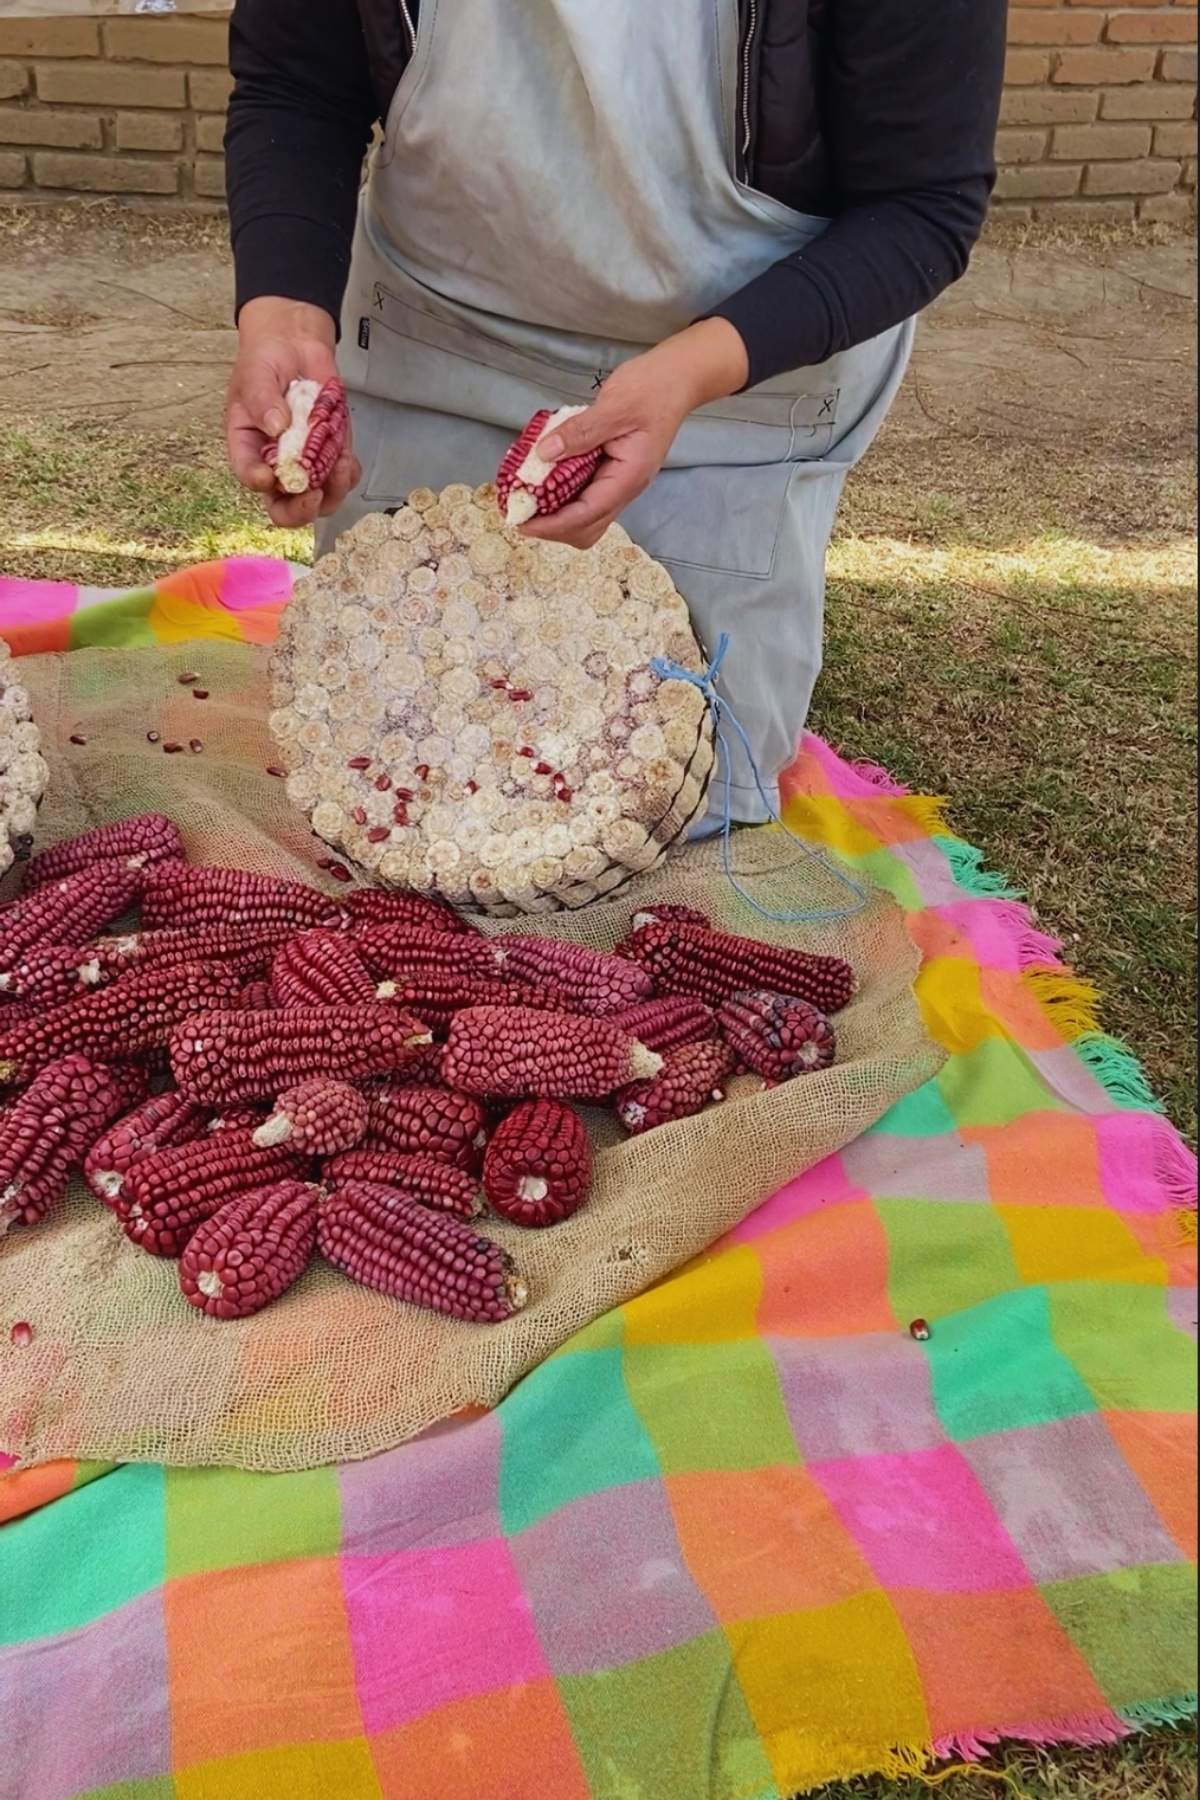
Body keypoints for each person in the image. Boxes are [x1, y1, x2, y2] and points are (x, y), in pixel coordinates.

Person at [224, 0, 1005, 825]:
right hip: (438, 339)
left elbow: (921, 207)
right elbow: (297, 88)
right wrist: (285, 311)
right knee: (395, 776)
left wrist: (687, 372)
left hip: (734, 385)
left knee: (659, 804)